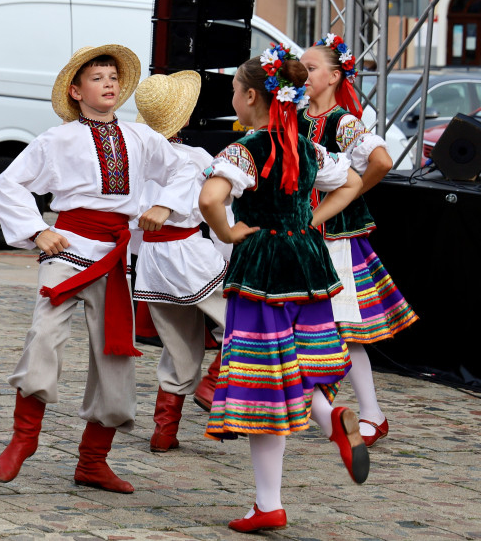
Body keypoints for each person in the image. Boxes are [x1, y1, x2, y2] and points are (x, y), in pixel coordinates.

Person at [0, 46, 193, 493]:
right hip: (67, 249)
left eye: (114, 78)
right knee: (44, 336)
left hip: (114, 257)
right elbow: (8, 183)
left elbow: (187, 171)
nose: (108, 84)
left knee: (114, 354)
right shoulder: (56, 140)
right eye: (98, 77)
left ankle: (93, 461)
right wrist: (36, 231)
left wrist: (164, 203)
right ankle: (24, 438)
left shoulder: (143, 139)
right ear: (76, 91)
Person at [198, 46, 368, 533]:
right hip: (309, 264)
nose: (232, 97)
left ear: (251, 95)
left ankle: (268, 502)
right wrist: (309, 220)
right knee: (294, 364)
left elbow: (211, 197)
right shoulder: (307, 145)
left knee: (264, 381)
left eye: (233, 90)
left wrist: (229, 231)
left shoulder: (245, 148)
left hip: (263, 270)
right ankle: (328, 419)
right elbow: (352, 180)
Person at [299, 35, 417, 446]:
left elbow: (382, 160)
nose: (303, 73)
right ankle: (333, 410)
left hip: (335, 238)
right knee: (310, 327)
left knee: (342, 329)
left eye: (311, 68)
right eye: (301, 67)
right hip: (303, 237)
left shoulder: (343, 122)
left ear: (334, 76)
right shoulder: (295, 118)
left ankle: (370, 414)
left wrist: (345, 197)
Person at [131, 71, 228, 453]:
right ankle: (215, 382)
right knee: (244, 317)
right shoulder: (196, 158)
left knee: (179, 345)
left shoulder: (134, 161)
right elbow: (214, 212)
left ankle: (164, 431)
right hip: (188, 256)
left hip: (153, 264)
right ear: (185, 119)